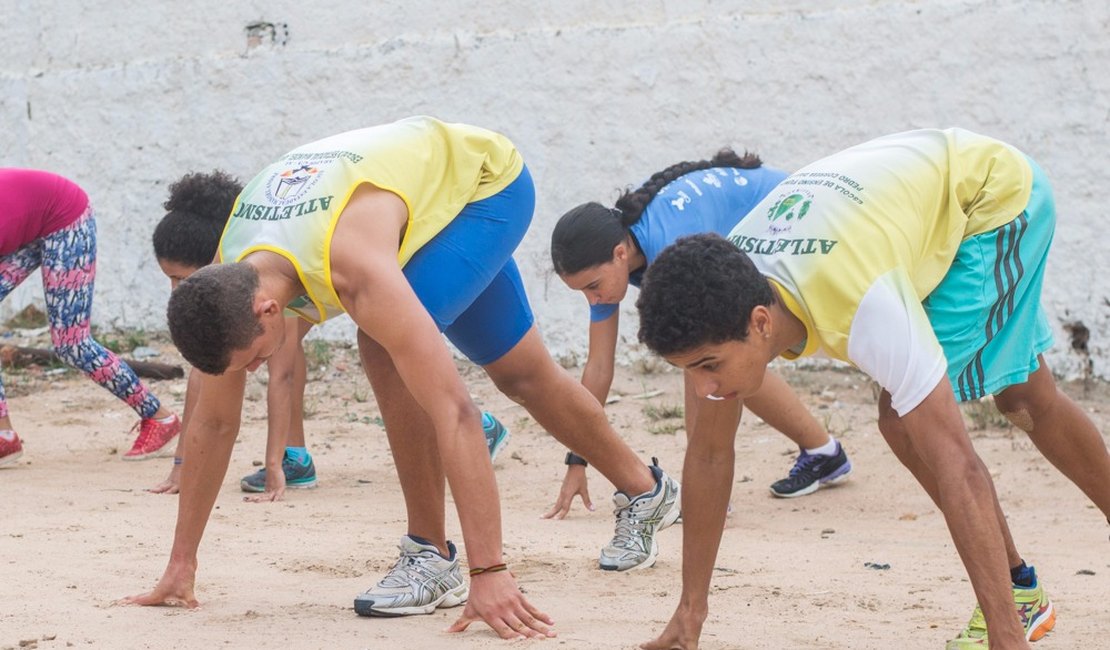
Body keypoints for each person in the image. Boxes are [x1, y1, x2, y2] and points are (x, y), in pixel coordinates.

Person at [124, 117, 679, 639]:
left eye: (251, 359)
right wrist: (180, 563)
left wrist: (490, 571)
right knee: (522, 373)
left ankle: (431, 556)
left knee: (383, 346)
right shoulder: (227, 282)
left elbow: (457, 412)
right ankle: (646, 490)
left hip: (485, 188)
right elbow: (215, 422)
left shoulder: (352, 266)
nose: (253, 371)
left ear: (269, 310)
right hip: (416, 193)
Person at [634, 128, 1110, 649]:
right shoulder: (723, 299)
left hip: (989, 203)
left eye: (708, 366)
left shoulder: (865, 303)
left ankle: (1015, 606)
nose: (702, 387)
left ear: (761, 323)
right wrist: (689, 615)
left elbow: (959, 463)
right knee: (1025, 397)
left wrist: (1006, 642)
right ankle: (1019, 595)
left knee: (934, 417)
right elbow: (706, 456)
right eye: (690, 370)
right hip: (914, 211)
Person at [146, 171, 512, 497]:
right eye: (170, 280)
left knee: (386, 354)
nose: (178, 291)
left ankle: (480, 426)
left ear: (215, 260)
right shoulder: (240, 288)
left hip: (409, 248)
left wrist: (273, 462)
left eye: (184, 279)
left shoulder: (262, 289)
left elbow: (283, 376)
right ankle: (298, 455)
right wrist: (182, 463)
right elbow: (205, 374)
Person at [548, 149, 852, 516]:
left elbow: (700, 370)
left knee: (713, 361)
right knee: (725, 366)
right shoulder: (615, 259)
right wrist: (577, 461)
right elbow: (598, 367)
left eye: (593, 286)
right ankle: (824, 454)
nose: (592, 298)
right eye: (582, 291)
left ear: (619, 254)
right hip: (759, 217)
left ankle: (714, 491)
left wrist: (701, 486)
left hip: (796, 213)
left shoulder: (669, 247)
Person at [0, 169, 180, 466]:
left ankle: (160, 418)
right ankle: (4, 437)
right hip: (32, 218)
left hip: (67, 217)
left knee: (72, 343)